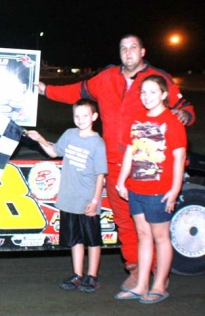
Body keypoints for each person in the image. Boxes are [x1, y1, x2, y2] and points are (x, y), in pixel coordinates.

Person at [35, 34, 195, 290]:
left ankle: (157, 276)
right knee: (125, 222)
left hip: (148, 165)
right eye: (123, 48)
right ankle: (135, 270)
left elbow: (183, 105)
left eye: (133, 47)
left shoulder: (157, 78)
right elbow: (76, 91)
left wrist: (184, 115)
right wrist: (46, 90)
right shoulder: (106, 77)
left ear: (143, 51)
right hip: (113, 163)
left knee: (153, 226)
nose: (128, 52)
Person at [114, 75, 186, 303]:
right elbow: (130, 152)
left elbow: (179, 158)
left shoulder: (171, 121)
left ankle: (159, 285)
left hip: (159, 191)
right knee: (143, 236)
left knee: (161, 238)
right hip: (136, 189)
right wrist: (122, 180)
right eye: (143, 92)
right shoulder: (137, 120)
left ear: (164, 95)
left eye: (153, 92)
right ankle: (141, 285)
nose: (147, 97)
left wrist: (174, 190)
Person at [27, 99, 107, 293]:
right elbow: (54, 152)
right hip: (69, 199)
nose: (81, 119)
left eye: (85, 115)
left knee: (92, 240)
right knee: (75, 240)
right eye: (77, 116)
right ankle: (78, 275)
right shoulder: (70, 135)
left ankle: (92, 276)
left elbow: (100, 176)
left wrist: (95, 201)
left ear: (94, 117)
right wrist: (40, 139)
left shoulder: (97, 143)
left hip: (87, 200)